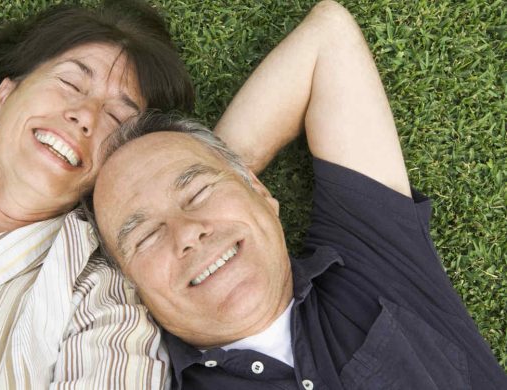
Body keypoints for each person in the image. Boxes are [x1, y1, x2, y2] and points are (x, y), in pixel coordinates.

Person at [92, 1, 507, 389]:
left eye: (198, 192)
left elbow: (328, 38)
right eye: (145, 236)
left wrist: (220, 165)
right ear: (129, 287)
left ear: (261, 191)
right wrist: (212, 176)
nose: (186, 234)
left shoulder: (368, 255)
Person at [0, 1, 192, 388]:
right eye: (70, 83)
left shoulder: (104, 304)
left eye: (117, 118)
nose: (85, 115)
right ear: (3, 98)